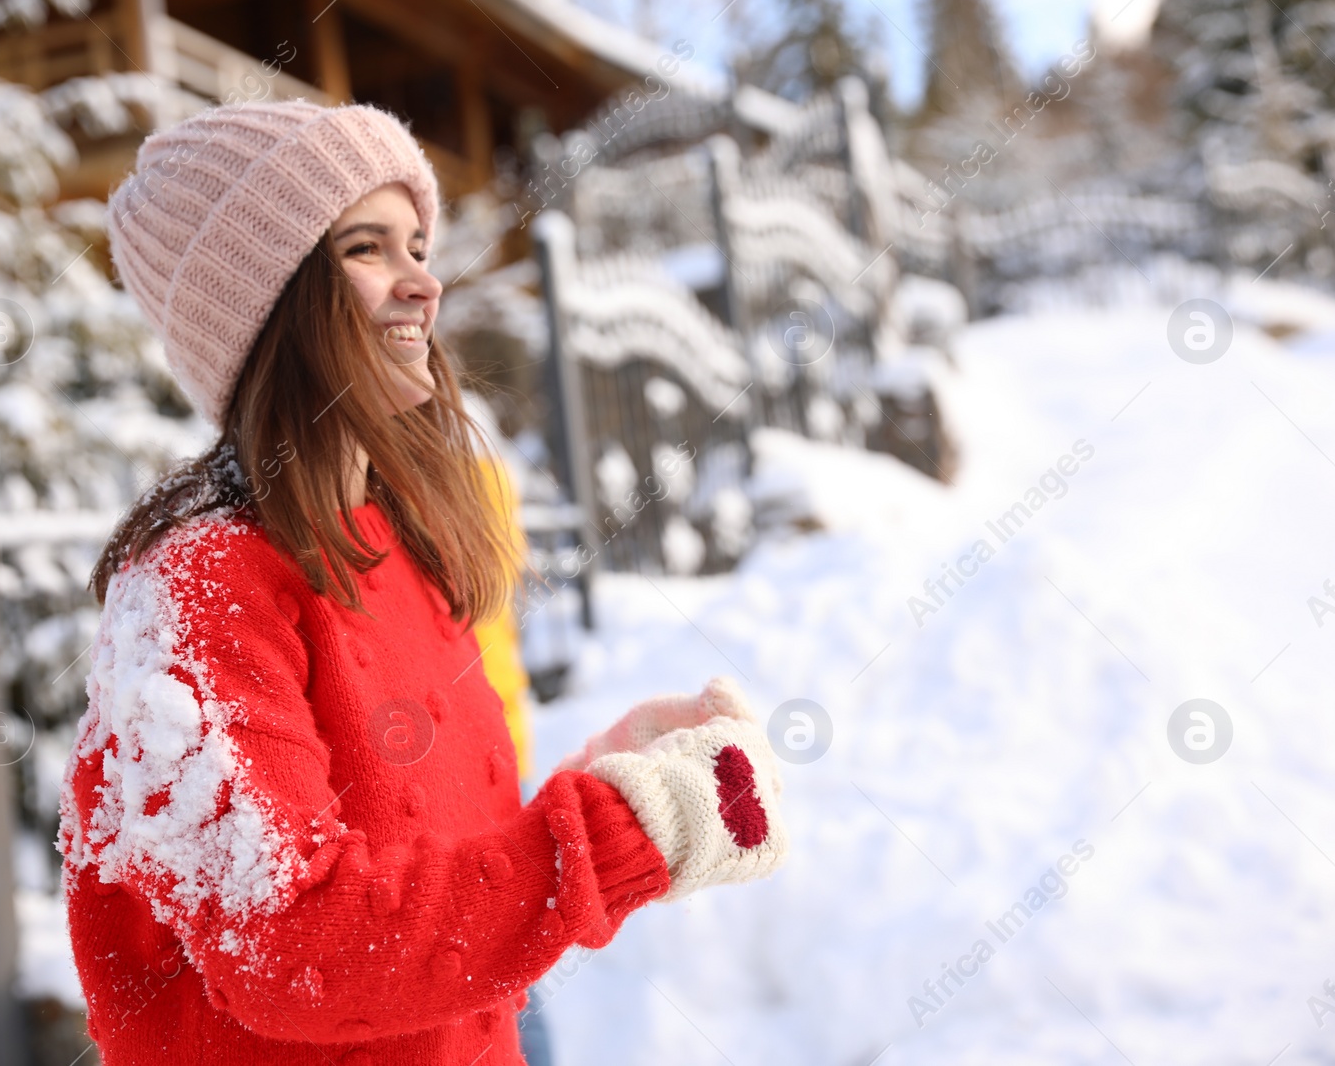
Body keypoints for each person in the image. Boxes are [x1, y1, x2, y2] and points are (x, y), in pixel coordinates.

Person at [61, 100, 789, 1066]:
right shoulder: (199, 586)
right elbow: (293, 943)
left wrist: (603, 781)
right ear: (269, 304)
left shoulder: (394, 541)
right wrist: (618, 833)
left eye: (417, 242)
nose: (425, 282)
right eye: (368, 249)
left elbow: (411, 881)